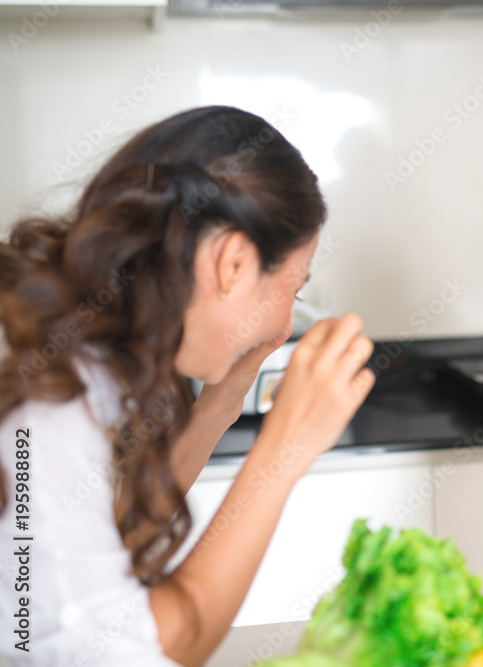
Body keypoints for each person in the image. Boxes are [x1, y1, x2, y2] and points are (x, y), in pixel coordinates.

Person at [0, 106, 376, 666]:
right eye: (292, 290)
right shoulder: (46, 406)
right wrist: (287, 447)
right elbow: (138, 649)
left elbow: (114, 534)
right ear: (233, 264)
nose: (281, 329)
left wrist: (223, 402)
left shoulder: (87, 349)